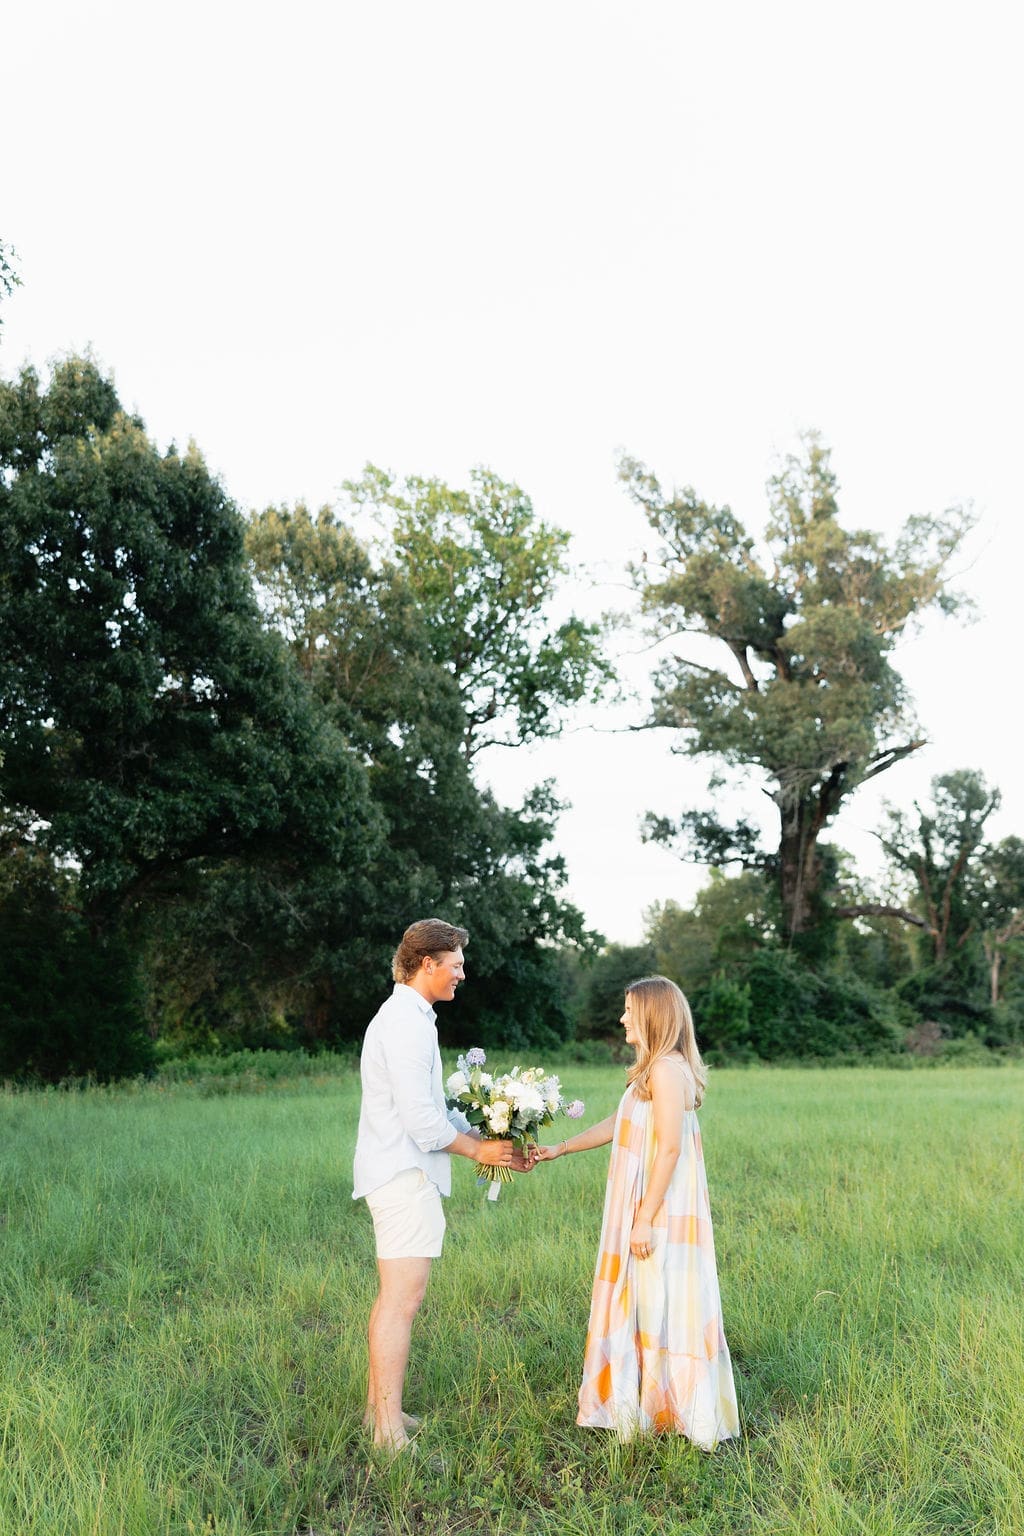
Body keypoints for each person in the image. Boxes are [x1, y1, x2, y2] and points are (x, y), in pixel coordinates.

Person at [535, 975, 739, 1448]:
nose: (622, 1017)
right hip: (650, 1203)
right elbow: (621, 1122)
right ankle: (649, 1404)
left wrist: (644, 1218)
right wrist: (561, 1148)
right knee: (649, 1299)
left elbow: (668, 1149)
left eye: (630, 1009)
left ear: (652, 1015)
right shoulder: (656, 1070)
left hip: (660, 1209)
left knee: (657, 1298)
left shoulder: (666, 1069)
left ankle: (667, 1409)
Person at [352, 918, 525, 1454]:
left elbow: (436, 1110)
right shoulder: (406, 1023)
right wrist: (478, 1151)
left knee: (397, 1298)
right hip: (403, 1175)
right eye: (456, 965)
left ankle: (380, 1410)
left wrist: (491, 1135)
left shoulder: (412, 1017)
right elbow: (421, 1123)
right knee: (402, 1301)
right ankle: (386, 1431)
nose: (462, 975)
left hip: (404, 1172)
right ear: (427, 964)